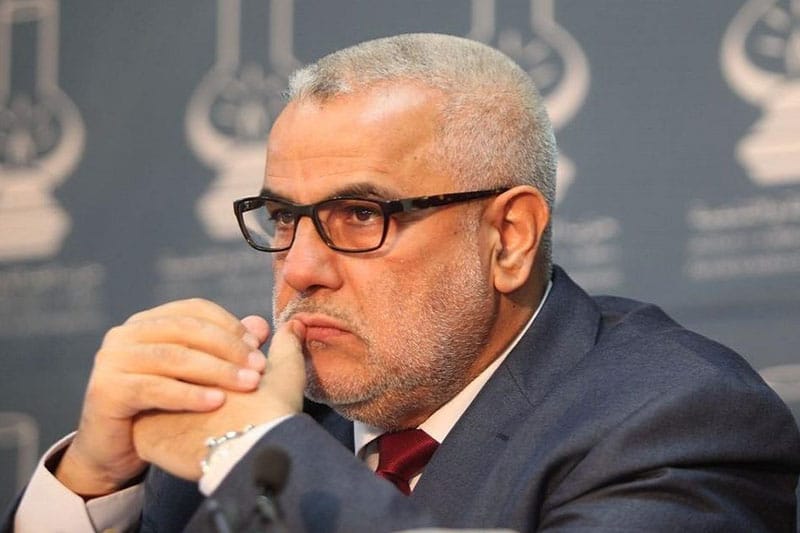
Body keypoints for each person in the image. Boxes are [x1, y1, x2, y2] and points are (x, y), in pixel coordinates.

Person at [6, 33, 800, 533]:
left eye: (360, 214)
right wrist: (93, 483)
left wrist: (257, 454)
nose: (301, 268)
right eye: (283, 217)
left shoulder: (677, 422)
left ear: (509, 237)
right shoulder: (228, 436)